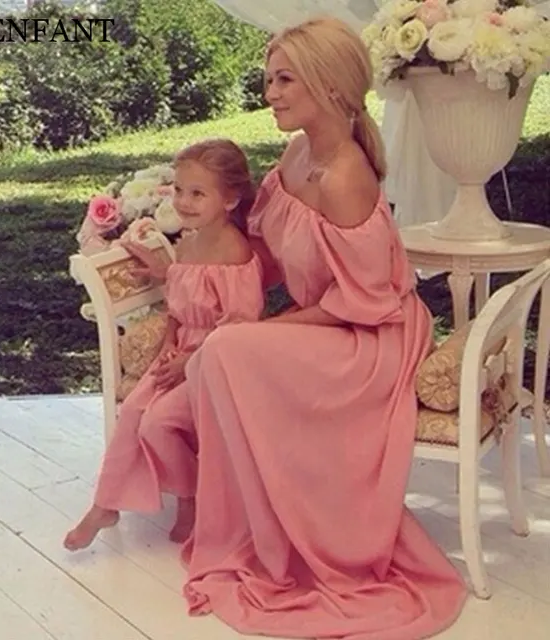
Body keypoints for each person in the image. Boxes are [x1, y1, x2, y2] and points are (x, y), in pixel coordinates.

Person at [126, 16, 468, 640]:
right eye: (269, 80)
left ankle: (282, 526)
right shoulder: (298, 154)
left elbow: (362, 302)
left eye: (285, 80)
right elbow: (267, 249)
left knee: (228, 349)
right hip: (329, 323)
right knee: (229, 349)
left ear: (329, 84)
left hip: (370, 339)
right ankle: (251, 514)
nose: (270, 93)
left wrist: (266, 327)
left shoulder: (345, 177)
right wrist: (179, 261)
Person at [63, 139, 265, 551]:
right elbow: (178, 304)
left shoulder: (234, 252)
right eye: (179, 190)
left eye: (198, 193)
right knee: (134, 411)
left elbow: (240, 327)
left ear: (229, 200)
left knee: (158, 423)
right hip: (181, 349)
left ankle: (189, 494)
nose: (184, 202)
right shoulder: (189, 242)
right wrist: (170, 343)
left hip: (217, 360)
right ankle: (105, 505)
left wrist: (190, 360)